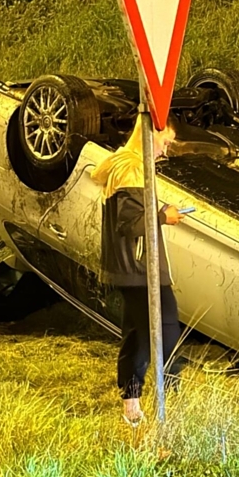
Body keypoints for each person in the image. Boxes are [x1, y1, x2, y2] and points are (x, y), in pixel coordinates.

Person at [91, 115, 186, 425]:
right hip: (140, 268)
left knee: (137, 335)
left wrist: (160, 213)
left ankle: (131, 408)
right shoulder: (132, 167)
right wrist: (163, 216)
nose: (165, 150)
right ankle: (172, 403)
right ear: (150, 133)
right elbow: (130, 223)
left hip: (128, 267)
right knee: (166, 328)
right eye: (165, 142)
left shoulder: (122, 163)